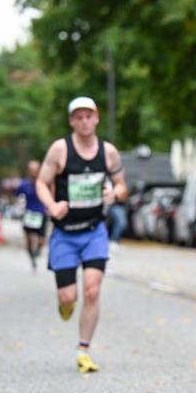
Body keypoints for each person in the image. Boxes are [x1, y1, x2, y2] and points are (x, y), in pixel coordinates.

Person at [36, 97, 127, 373]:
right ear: (71, 121)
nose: (84, 121)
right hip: (64, 234)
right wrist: (52, 206)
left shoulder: (108, 152)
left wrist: (115, 193)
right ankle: (65, 304)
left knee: (92, 289)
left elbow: (122, 186)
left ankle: (83, 350)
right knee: (69, 297)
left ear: (97, 118)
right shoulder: (60, 150)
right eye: (79, 117)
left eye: (89, 116)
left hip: (94, 231)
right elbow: (41, 182)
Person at [17, 160, 48, 271]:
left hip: (42, 213)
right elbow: (18, 197)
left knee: (42, 241)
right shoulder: (24, 184)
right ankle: (31, 256)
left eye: (36, 170)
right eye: (31, 170)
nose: (34, 172)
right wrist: (20, 206)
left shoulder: (44, 183)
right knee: (29, 240)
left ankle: (37, 252)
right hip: (29, 214)